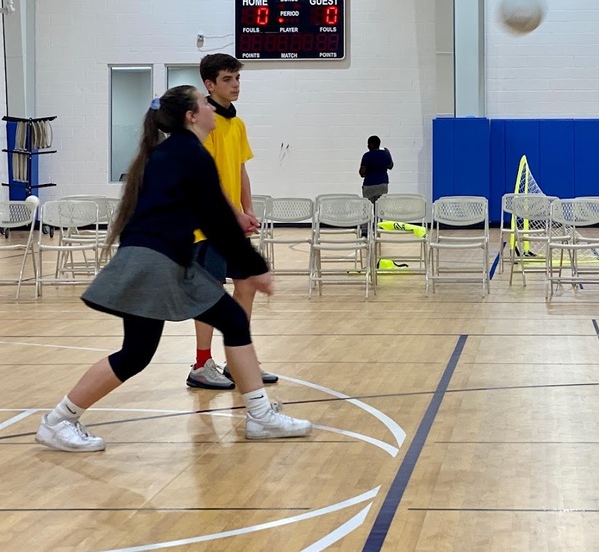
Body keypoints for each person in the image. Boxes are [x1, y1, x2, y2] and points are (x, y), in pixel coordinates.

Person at [35, 86, 311, 452]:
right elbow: (215, 219)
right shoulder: (187, 154)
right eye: (203, 103)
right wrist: (254, 267)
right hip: (153, 261)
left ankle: (260, 416)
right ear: (191, 116)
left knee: (228, 320)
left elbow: (210, 218)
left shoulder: (177, 153)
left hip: (165, 258)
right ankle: (58, 420)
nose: (211, 108)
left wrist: (247, 260)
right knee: (136, 353)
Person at [186, 53, 275, 390]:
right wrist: (232, 214)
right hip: (207, 225)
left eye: (237, 78)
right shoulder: (202, 123)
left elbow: (239, 169)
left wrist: (247, 209)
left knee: (246, 284)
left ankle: (239, 360)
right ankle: (200, 364)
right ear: (209, 84)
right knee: (209, 290)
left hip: (233, 222)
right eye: (227, 79)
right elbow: (209, 178)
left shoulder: (237, 124)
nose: (235, 85)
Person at [359, 135, 393, 204]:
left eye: (368, 144)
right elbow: (390, 166)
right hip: (382, 184)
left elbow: (362, 172)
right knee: (380, 207)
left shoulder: (367, 156)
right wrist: (389, 154)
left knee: (367, 208)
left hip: (369, 185)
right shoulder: (385, 154)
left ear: (371, 145)